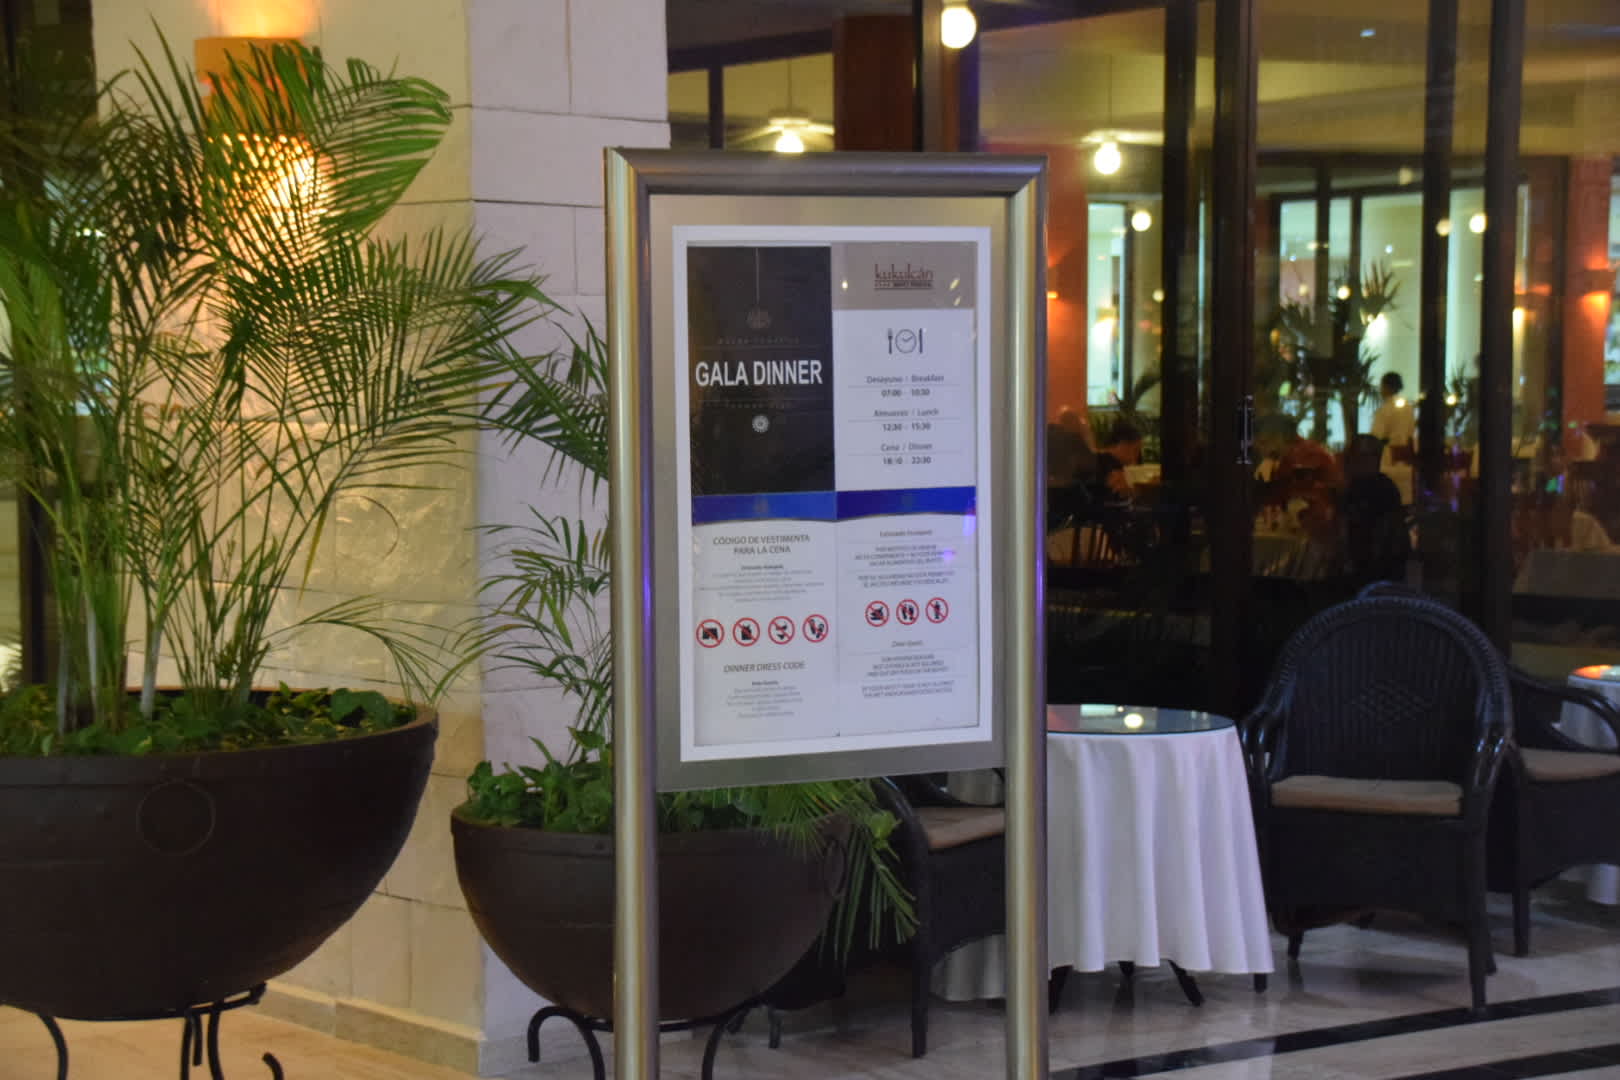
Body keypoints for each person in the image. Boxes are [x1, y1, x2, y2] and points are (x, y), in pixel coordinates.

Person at [1340, 434, 1411, 585]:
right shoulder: (1351, 489)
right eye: (1353, 458)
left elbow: (1389, 536)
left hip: (1380, 573)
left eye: (1361, 458)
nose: (1353, 463)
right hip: (1361, 571)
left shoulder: (1384, 489)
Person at [1369, 371, 1415, 504]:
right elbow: (1411, 431)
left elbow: (1376, 436)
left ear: (1387, 387)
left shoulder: (1385, 410)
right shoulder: (1408, 407)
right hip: (1406, 458)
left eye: (1381, 386)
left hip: (1387, 457)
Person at [1089, 420, 1145, 503]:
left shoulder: (1096, 459)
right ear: (1123, 444)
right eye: (1136, 450)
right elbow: (1119, 497)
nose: (1135, 457)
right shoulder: (1110, 465)